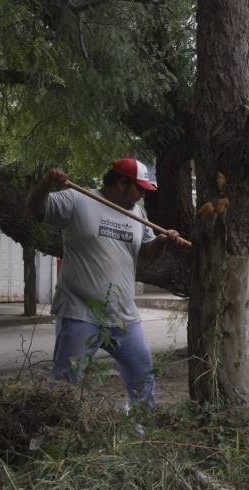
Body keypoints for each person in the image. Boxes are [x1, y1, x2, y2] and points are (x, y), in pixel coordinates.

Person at [26, 158, 185, 407]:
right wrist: (45, 185)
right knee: (65, 383)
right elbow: (35, 209)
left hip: (124, 316)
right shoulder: (77, 200)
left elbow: (147, 253)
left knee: (142, 378)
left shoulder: (137, 213)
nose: (142, 194)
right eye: (139, 188)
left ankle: (140, 431)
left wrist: (163, 241)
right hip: (81, 312)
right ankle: (49, 435)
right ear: (122, 183)